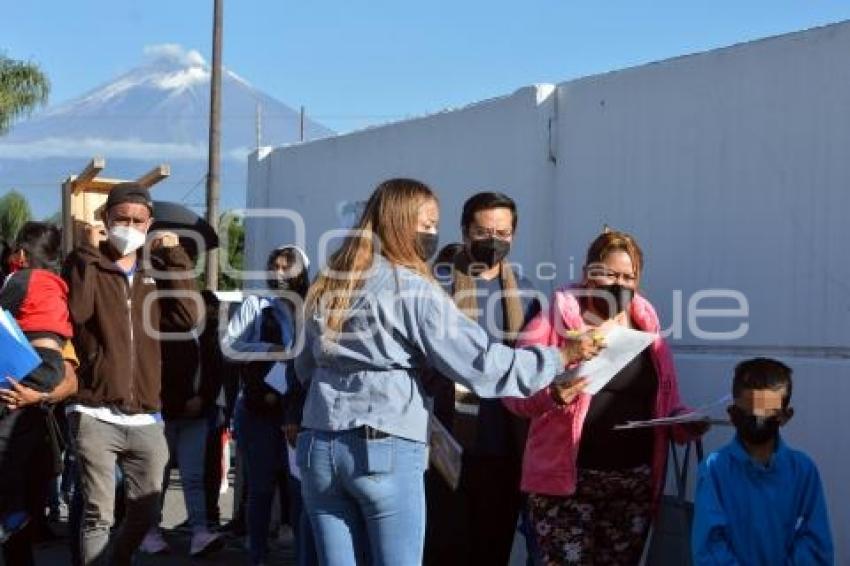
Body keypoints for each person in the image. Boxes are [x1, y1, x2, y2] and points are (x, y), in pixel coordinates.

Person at [295, 178, 603, 566]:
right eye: (425, 225)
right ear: (399, 224)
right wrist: (559, 357)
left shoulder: (330, 282)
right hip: (385, 446)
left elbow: (304, 368)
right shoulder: (416, 288)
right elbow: (482, 365)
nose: (431, 236)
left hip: (320, 443)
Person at [504, 228, 707, 565]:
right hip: (566, 487)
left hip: (632, 488)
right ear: (588, 274)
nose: (620, 283)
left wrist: (686, 422)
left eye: (629, 276)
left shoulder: (648, 328)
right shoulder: (553, 319)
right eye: (611, 273)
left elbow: (666, 402)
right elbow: (514, 390)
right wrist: (552, 394)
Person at [63, 182, 199, 566]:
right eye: (121, 218)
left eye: (138, 221)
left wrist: (174, 256)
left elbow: (189, 318)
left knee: (146, 510)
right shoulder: (87, 262)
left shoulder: (155, 270)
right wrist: (87, 251)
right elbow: (79, 312)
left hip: (146, 415)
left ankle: (117, 559)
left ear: (150, 224)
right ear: (105, 219)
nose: (129, 226)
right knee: (97, 514)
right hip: (94, 412)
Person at [423, 192, 543, 566]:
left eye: (501, 232)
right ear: (464, 231)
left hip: (504, 445)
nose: (492, 240)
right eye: (482, 231)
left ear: (514, 235)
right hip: (444, 447)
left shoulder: (526, 294)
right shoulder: (433, 285)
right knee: (443, 550)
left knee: (494, 549)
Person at [692, 358, 833, 565]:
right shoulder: (714, 469)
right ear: (732, 414)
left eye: (764, 414)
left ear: (785, 416)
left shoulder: (803, 470)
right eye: (748, 413)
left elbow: (816, 542)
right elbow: (709, 546)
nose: (756, 421)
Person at [223, 245, 312, 566]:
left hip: (300, 412)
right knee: (260, 488)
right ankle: (257, 554)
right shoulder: (257, 305)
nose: (279, 272)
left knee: (300, 490)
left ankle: (304, 557)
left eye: (286, 266)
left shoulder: (313, 307)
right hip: (261, 409)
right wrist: (270, 347)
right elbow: (229, 348)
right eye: (273, 266)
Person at [141, 241, 224, 557]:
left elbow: (213, 366)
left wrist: (202, 398)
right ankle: (150, 531)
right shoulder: (155, 315)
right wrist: (177, 402)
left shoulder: (200, 318)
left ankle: (200, 531)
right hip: (164, 413)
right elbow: (155, 369)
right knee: (156, 476)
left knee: (193, 476)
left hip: (196, 413)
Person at [0, 340, 79, 566]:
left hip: (31, 442)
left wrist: (39, 397)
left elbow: (71, 382)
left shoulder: (44, 329)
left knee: (19, 535)